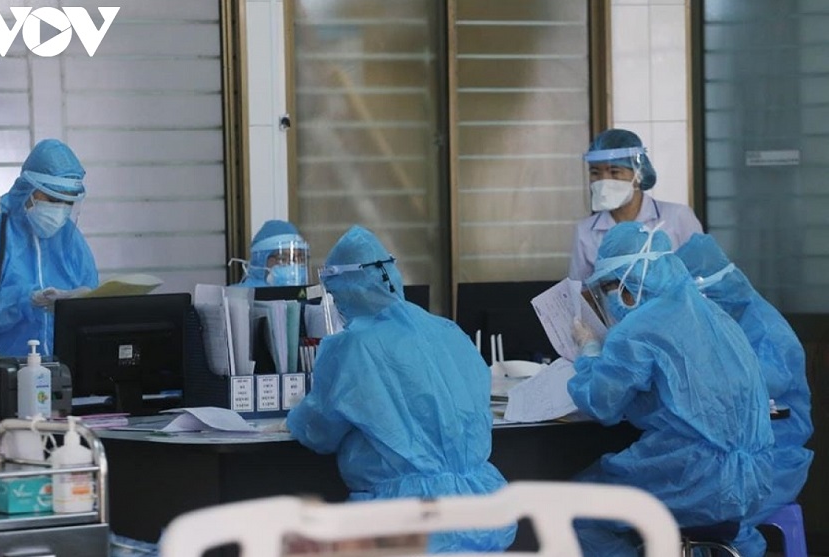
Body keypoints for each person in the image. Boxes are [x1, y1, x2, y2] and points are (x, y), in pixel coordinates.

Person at [286, 225, 516, 553]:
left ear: (349, 290)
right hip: (481, 509)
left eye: (336, 296)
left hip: (403, 523)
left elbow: (318, 432)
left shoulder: (352, 347)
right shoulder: (447, 330)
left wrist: (295, 416)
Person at [568, 222, 773, 557]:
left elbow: (600, 403)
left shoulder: (639, 328)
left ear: (627, 282)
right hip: (751, 481)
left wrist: (589, 352)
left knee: (573, 509)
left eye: (607, 288)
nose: (608, 299)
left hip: (693, 478)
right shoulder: (714, 314)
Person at [676, 233, 814, 557]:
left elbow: (744, 390)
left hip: (773, 460)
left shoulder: (769, 333)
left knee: (709, 513)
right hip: (734, 456)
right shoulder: (724, 325)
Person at [0, 139, 98, 357]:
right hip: (1, 370)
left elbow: (91, 294)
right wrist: (25, 300)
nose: (61, 210)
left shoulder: (69, 238)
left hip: (64, 368)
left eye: (68, 202)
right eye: (53, 199)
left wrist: (84, 301)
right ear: (29, 189)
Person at [568, 128, 703, 281]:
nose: (603, 180)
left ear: (638, 173)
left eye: (614, 172)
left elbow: (704, 274)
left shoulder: (677, 217)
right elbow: (578, 288)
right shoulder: (586, 231)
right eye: (595, 173)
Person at [235, 219, 309, 287]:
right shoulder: (242, 295)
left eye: (300, 258)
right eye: (283, 258)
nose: (294, 264)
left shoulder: (305, 294)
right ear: (261, 261)